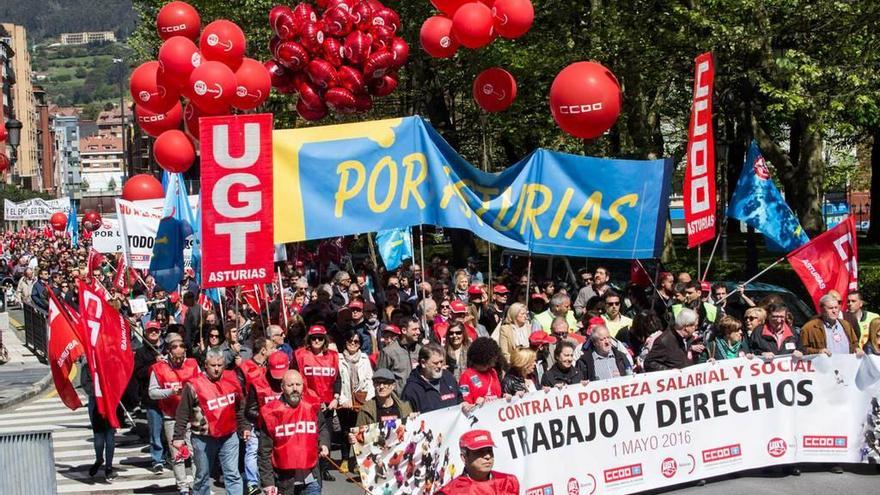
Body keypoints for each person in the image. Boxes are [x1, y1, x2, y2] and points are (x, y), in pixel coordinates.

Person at [173, 349, 248, 495]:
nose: (217, 369)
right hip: (203, 437)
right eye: (213, 365)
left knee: (232, 474)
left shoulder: (232, 380)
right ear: (206, 365)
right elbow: (183, 413)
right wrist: (178, 437)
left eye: (220, 365)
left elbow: (240, 407)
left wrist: (244, 426)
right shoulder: (193, 385)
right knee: (202, 476)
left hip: (229, 435)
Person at [258, 370, 331, 495]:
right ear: (282, 387)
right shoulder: (271, 413)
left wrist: (324, 444)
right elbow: (265, 451)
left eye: (298, 384)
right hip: (284, 482)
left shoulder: (312, 406)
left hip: (311, 479)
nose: (295, 389)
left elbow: (322, 428)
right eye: (290, 385)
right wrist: (268, 483)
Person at [149, 332, 199, 494]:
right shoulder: (159, 368)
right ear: (169, 352)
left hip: (192, 416)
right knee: (177, 454)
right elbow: (152, 393)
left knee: (196, 453)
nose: (179, 360)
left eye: (181, 355)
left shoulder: (192, 364)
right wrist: (170, 391)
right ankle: (183, 486)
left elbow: (202, 384)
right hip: (171, 416)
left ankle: (198, 485)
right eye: (175, 357)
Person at [292, 325, 340, 482]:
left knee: (326, 437)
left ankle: (324, 468)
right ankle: (307, 468)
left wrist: (336, 397)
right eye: (314, 338)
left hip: (327, 406)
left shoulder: (332, 356)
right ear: (309, 339)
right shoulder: (300, 355)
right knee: (307, 437)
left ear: (325, 340)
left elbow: (337, 379)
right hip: (306, 404)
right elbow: (292, 377)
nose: (317, 340)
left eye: (320, 338)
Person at [241, 343, 286, 495]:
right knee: (254, 452)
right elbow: (249, 410)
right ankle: (252, 483)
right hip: (261, 428)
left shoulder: (292, 383)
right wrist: (266, 417)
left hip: (284, 430)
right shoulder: (258, 384)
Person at [437, 430, 520, 495]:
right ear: (464, 458)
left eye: (489, 451)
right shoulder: (449, 492)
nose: (487, 456)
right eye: (480, 452)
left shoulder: (508, 481)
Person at [337, 331, 374, 473]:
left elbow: (369, 380)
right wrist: (342, 399)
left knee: (360, 431)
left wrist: (368, 399)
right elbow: (337, 380)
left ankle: (359, 460)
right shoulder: (339, 359)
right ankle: (345, 458)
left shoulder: (364, 359)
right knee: (346, 431)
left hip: (361, 401)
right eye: (350, 341)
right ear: (345, 342)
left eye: (356, 342)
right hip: (345, 400)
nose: (353, 344)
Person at [134, 321, 165, 474]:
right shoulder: (141, 353)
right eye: (150, 331)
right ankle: (157, 459)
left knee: (170, 431)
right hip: (152, 397)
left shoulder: (168, 348)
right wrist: (155, 363)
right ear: (146, 333)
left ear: (160, 332)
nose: (153, 333)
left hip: (169, 397)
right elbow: (139, 373)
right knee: (155, 430)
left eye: (156, 330)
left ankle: (172, 456)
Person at [81, 360, 118, 482]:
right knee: (98, 436)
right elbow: (85, 384)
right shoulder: (87, 365)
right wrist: (98, 388)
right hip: (95, 401)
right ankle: (99, 458)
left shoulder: (110, 361)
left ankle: (109, 466)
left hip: (110, 400)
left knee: (110, 435)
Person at [402, 343, 462, 413]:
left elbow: (459, 399)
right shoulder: (412, 389)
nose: (440, 366)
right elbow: (406, 416)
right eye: (435, 363)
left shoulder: (448, 377)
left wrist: (464, 404)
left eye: (441, 362)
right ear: (423, 363)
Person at [459, 337, 503, 404]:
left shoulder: (493, 372)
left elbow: (498, 395)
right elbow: (465, 403)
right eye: (493, 357)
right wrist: (476, 404)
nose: (495, 360)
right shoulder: (466, 376)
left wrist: (505, 397)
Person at [377, 324, 411, 394]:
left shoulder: (406, 350)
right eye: (386, 337)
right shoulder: (385, 351)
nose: (389, 340)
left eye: (392, 337)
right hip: (395, 393)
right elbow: (381, 374)